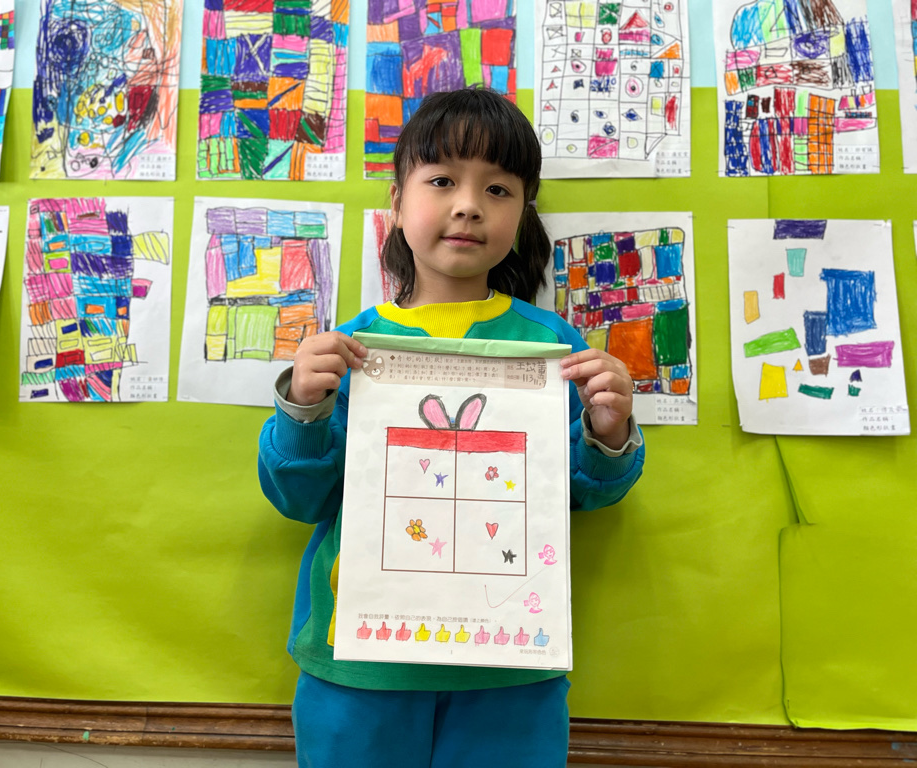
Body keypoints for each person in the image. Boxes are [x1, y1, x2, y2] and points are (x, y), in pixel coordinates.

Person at [258, 87, 645, 768]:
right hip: (360, 667)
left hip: (509, 668)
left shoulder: (551, 346)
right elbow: (301, 498)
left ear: (523, 214)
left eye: (498, 189)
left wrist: (609, 435)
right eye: (442, 181)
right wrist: (303, 408)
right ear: (396, 202)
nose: (469, 205)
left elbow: (583, 493)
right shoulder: (350, 348)